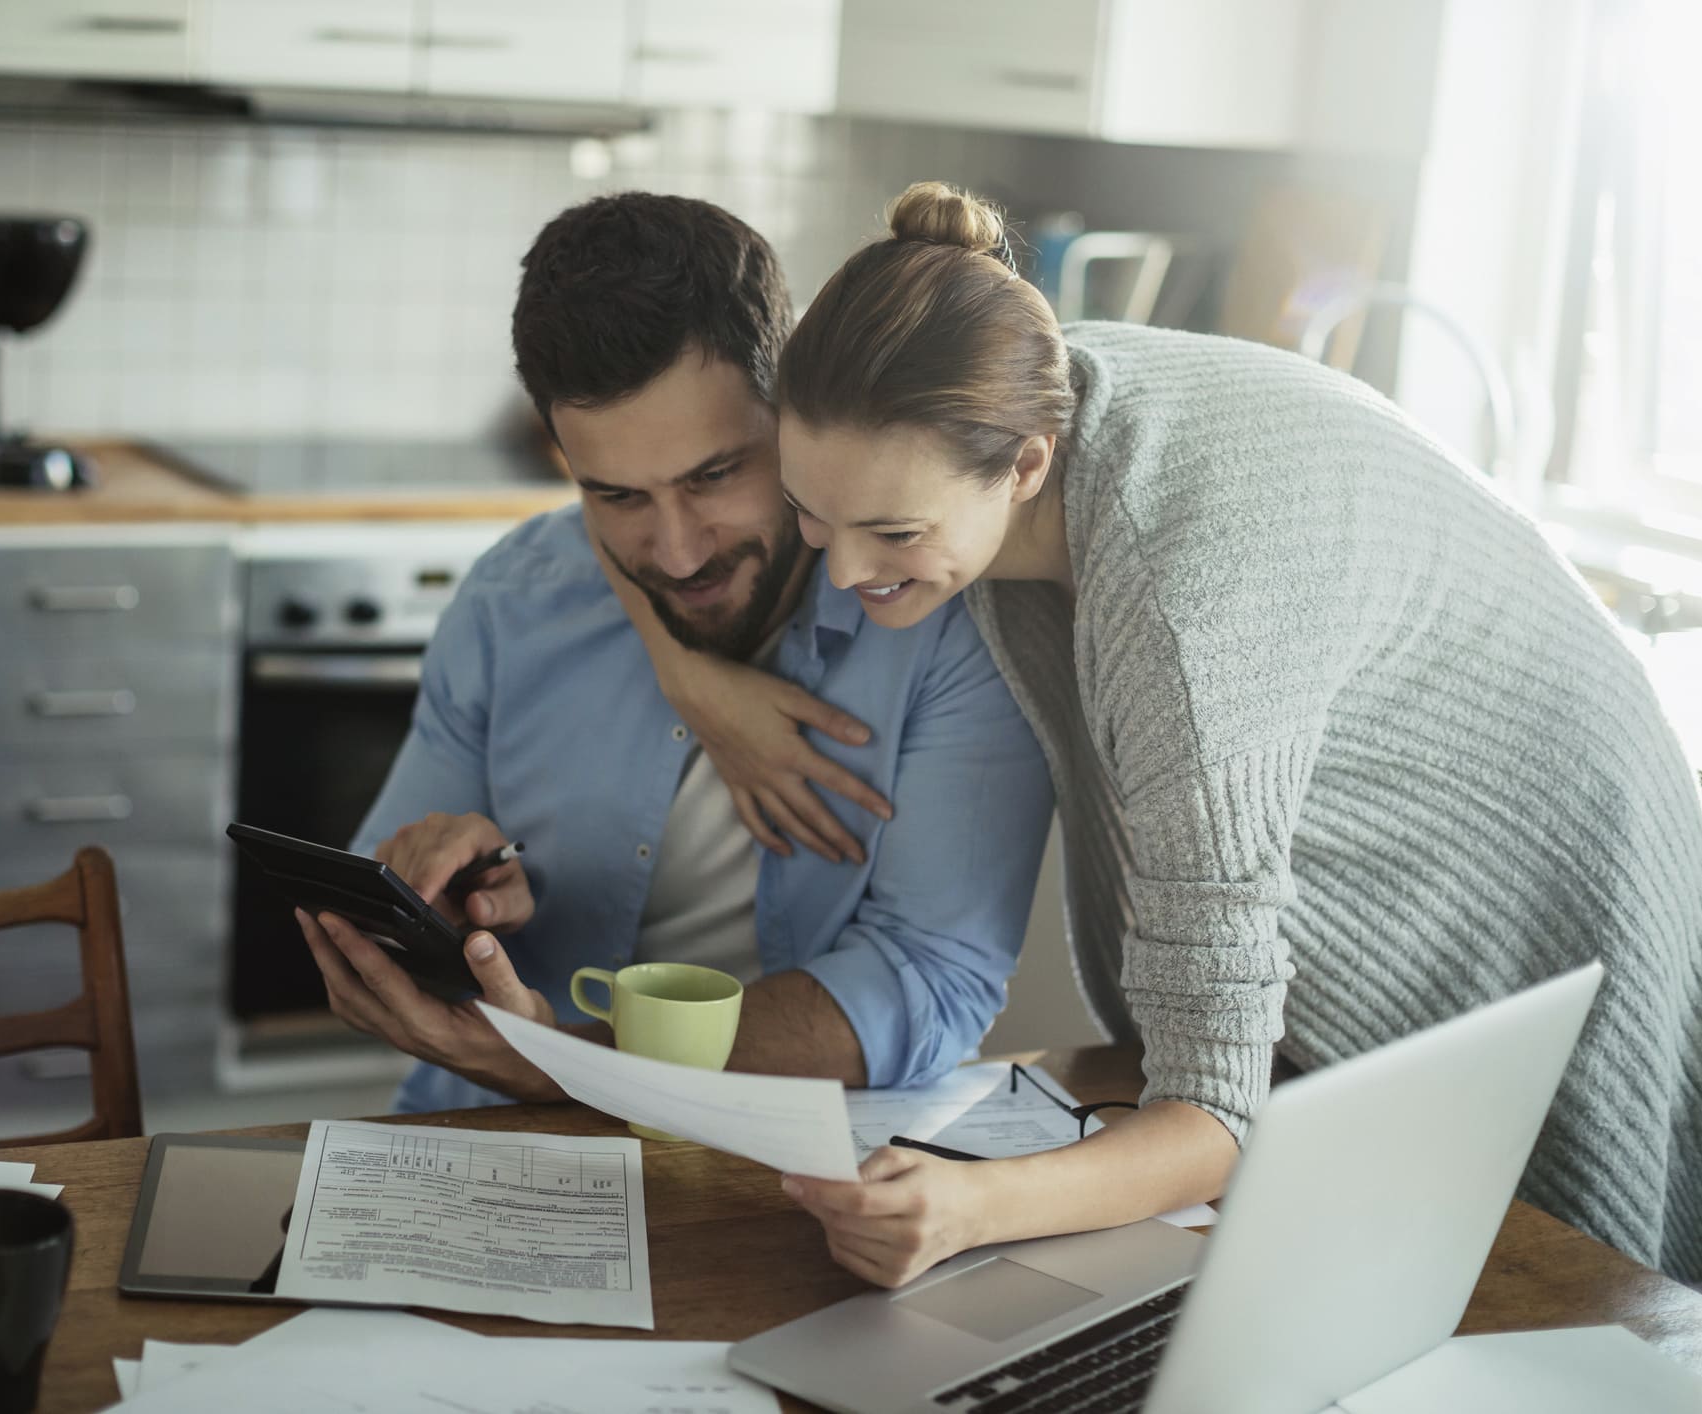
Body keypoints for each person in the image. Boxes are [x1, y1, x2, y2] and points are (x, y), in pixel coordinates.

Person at [608, 180, 1702, 1284]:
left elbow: (1215, 1115)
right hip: (1444, 785)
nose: (841, 573)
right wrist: (688, 672)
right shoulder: (993, 386)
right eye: (810, 516)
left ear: (1027, 467)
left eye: (892, 532)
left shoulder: (1187, 606)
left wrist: (971, 1205)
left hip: (1570, 834)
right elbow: (606, 484)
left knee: (1559, 1283)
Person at [291, 192, 1054, 1114]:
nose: (680, 552)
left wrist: (583, 1061)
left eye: (715, 475)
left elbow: (932, 982)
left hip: (776, 1163)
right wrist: (438, 918)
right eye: (616, 496)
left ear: (794, 408)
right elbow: (374, 926)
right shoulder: (515, 603)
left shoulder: (941, 624)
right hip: (490, 1134)